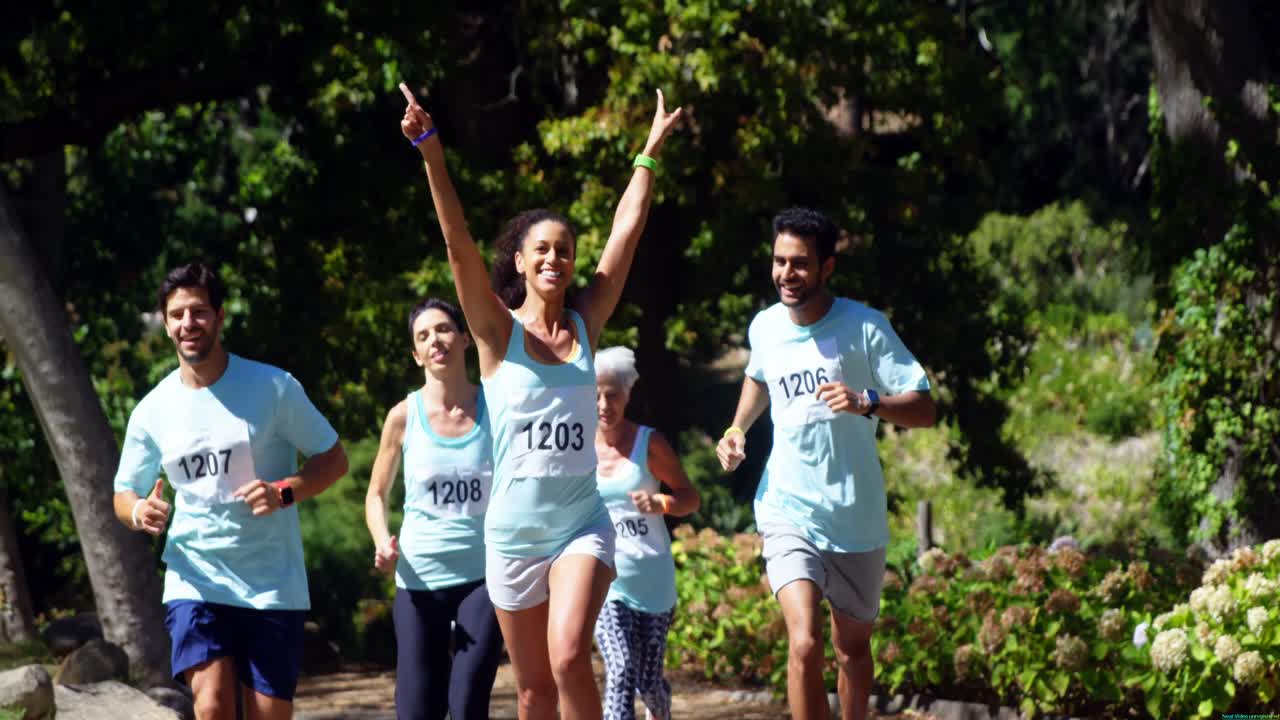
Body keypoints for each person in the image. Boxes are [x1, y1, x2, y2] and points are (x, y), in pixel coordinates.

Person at [397, 80, 680, 720]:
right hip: (512, 535)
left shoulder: (585, 322)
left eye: (565, 250)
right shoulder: (496, 333)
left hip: (581, 524)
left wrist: (649, 153)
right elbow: (457, 242)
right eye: (542, 249)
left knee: (569, 656)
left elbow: (625, 234)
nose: (556, 258)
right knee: (533, 692)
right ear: (520, 262)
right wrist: (431, 151)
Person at [715, 208, 937, 720]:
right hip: (787, 507)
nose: (786, 274)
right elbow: (759, 376)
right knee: (804, 642)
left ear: (827, 267)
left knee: (851, 649)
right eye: (779, 261)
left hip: (855, 515)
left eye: (799, 263)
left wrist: (868, 401)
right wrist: (736, 429)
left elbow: (925, 408)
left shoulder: (866, 326)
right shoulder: (766, 326)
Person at [112, 262, 349, 720]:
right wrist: (140, 511)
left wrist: (284, 492)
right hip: (195, 576)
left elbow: (333, 459)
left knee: (268, 715)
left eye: (199, 312)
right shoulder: (152, 410)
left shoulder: (274, 387)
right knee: (212, 705)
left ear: (220, 317)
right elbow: (124, 492)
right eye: (177, 314)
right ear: (166, 325)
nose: (188, 323)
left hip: (271, 582)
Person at [364, 297, 503, 720]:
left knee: (467, 706)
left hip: (483, 576)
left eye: (443, 329)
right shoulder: (403, 417)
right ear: (416, 354)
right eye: (423, 336)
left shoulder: (496, 408)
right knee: (416, 711)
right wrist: (381, 541)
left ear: (464, 338)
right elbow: (376, 493)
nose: (435, 340)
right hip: (419, 578)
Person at [591, 346, 700, 720]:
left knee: (648, 683)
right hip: (605, 578)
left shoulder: (648, 443)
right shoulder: (577, 448)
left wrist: (661, 503)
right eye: (595, 395)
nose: (603, 405)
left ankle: (661, 710)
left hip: (652, 579)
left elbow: (690, 498)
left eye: (612, 395)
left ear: (627, 395)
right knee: (620, 669)